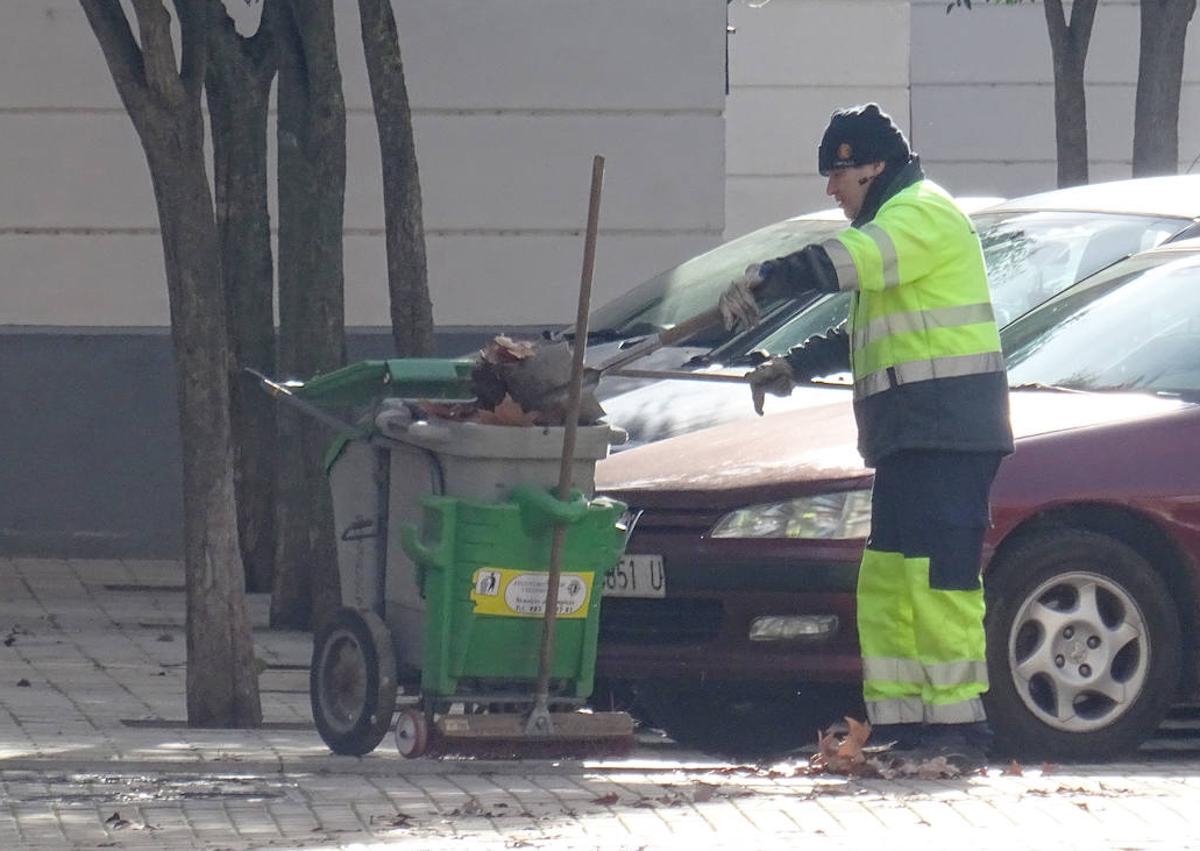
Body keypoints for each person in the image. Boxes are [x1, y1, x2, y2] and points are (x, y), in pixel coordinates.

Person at [718, 104, 1014, 768]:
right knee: (889, 582)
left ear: (874, 166)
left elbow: (845, 262)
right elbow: (869, 332)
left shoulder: (918, 214)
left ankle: (959, 732)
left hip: (946, 433)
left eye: (839, 172)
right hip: (915, 435)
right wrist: (795, 363)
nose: (831, 188)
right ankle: (910, 725)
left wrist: (771, 275)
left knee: (939, 585)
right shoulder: (899, 223)